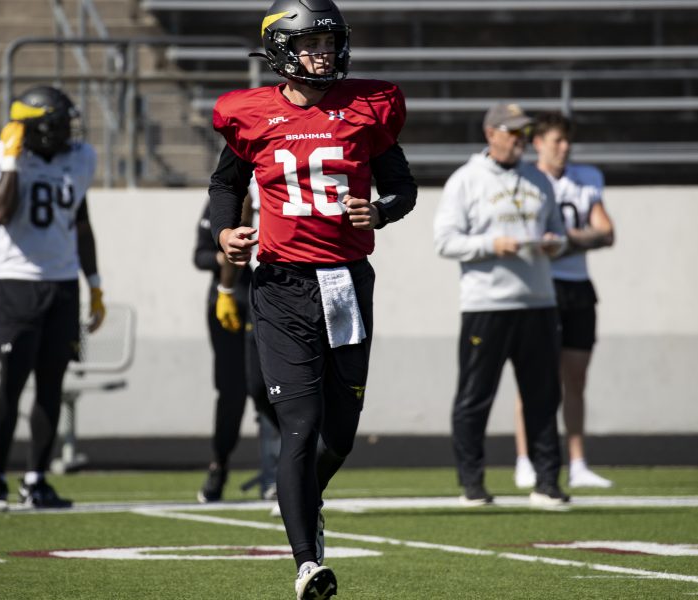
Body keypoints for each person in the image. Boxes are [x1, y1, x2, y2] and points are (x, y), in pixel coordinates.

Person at [208, 0, 417, 597]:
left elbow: (402, 189)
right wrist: (224, 232)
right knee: (298, 424)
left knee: (340, 433)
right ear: (281, 50)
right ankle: (306, 562)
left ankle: (304, 498)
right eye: (312, 43)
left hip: (347, 280)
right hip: (281, 286)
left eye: (331, 41)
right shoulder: (252, 116)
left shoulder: (365, 110)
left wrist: (377, 209)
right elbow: (226, 182)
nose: (325, 52)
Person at [0, 85, 105, 511]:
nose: (67, 132)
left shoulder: (78, 159)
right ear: (34, 129)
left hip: (62, 284)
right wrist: (11, 158)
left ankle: (36, 478)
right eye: (58, 125)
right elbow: (0, 213)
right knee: (11, 383)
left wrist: (94, 285)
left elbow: (81, 223)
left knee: (51, 386)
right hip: (16, 283)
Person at [433, 102, 571, 509]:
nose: (520, 141)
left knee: (544, 397)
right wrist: (491, 245)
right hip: (487, 304)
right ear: (490, 133)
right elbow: (444, 241)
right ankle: (472, 484)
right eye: (512, 132)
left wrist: (553, 243)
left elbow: (561, 236)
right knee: (475, 397)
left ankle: (547, 482)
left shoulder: (539, 180)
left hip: (538, 303)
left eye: (524, 133)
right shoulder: (465, 180)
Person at [513, 112, 616, 489]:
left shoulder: (586, 178)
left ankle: (578, 462)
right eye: (557, 140)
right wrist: (576, 238)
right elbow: (531, 238)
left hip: (577, 286)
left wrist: (567, 240)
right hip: (541, 287)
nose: (564, 147)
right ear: (538, 142)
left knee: (576, 378)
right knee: (535, 378)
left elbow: (607, 233)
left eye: (567, 140)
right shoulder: (527, 180)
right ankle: (525, 459)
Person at [193, 189, 280, 503]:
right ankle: (220, 464)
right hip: (230, 302)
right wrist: (225, 253)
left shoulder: (279, 186)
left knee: (270, 390)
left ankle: (276, 472)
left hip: (270, 298)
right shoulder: (227, 196)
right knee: (232, 391)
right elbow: (200, 255)